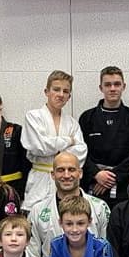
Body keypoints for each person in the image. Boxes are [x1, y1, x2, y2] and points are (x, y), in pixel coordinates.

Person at [27, 151, 110, 257]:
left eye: (71, 170)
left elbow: (106, 252)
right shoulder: (38, 211)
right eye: (61, 170)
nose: (66, 175)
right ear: (52, 174)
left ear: (80, 173)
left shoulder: (100, 207)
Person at [79, 66, 129, 207]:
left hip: (124, 185)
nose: (113, 88)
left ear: (123, 86)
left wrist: (113, 176)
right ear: (101, 87)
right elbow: (80, 151)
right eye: (108, 85)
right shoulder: (87, 118)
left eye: (117, 84)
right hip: (94, 185)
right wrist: (96, 174)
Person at [21, 70, 87, 211]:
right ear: (47, 91)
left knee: (67, 220)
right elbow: (39, 146)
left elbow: (81, 152)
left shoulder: (72, 123)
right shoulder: (33, 117)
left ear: (69, 96)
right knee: (36, 219)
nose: (61, 95)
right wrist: (68, 141)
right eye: (56, 89)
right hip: (40, 179)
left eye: (66, 91)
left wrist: (52, 145)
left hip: (66, 179)